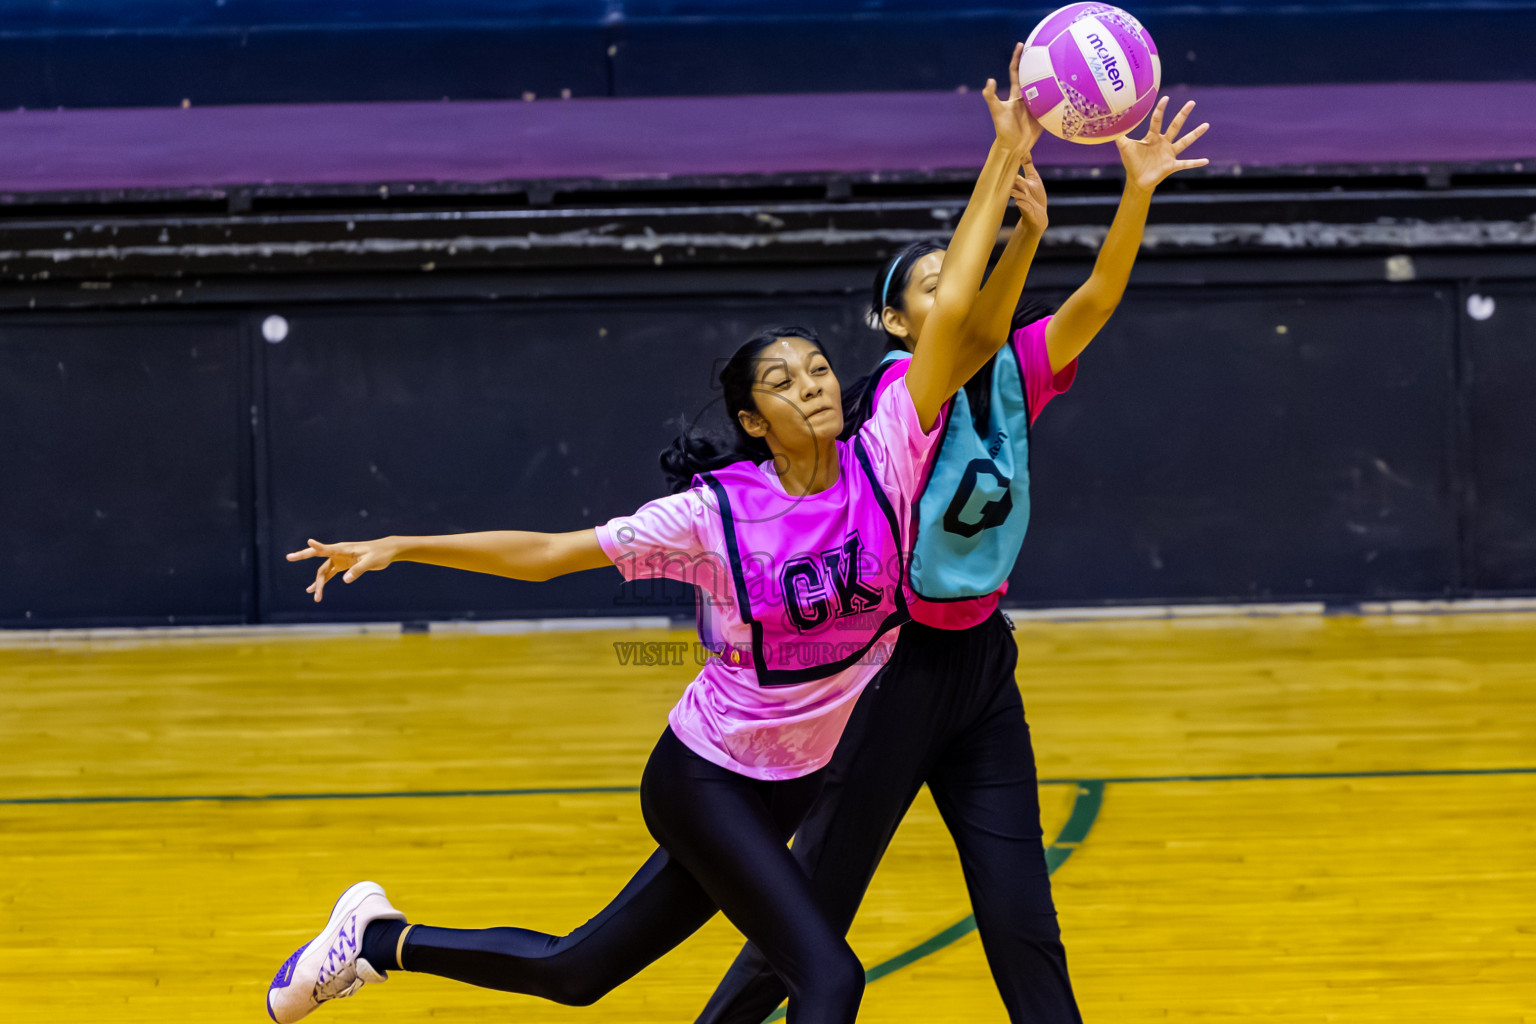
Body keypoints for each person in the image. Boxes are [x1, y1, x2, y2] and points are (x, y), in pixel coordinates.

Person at [264, 46, 1044, 1024]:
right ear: (753, 420)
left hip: (793, 781)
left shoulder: (889, 450)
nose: (810, 386)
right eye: (783, 382)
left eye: (816, 370)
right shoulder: (715, 514)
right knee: (830, 978)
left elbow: (960, 315)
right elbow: (549, 554)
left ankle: (375, 940)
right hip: (705, 778)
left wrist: (1008, 168)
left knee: (577, 971)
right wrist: (404, 544)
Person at [694, 96, 1210, 1024]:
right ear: (896, 325)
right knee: (811, 919)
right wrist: (1014, 228)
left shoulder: (1016, 370)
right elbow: (969, 323)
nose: (952, 290)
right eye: (931, 286)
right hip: (890, 673)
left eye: (952, 274)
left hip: (980, 667)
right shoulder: (898, 395)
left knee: (1023, 919)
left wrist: (1135, 191)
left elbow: (1094, 299)